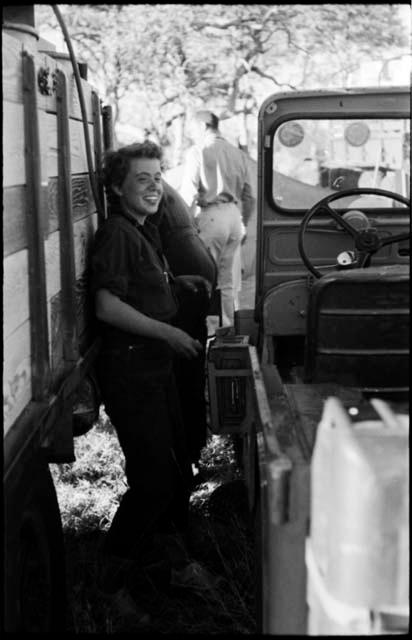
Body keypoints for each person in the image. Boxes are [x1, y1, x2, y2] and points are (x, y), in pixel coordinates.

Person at [90, 141, 210, 616]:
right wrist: (170, 333)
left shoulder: (143, 230)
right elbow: (107, 305)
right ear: (118, 188)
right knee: (155, 480)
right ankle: (108, 585)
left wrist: (176, 285)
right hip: (133, 370)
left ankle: (175, 567)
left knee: (177, 467)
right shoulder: (116, 233)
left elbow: (139, 286)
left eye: (159, 177)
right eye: (143, 179)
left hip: (154, 365)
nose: (155, 186)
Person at [151, 182, 217, 467]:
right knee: (190, 363)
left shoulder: (143, 188)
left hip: (185, 272)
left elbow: (149, 243)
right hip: (195, 268)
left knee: (182, 368)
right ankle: (194, 444)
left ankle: (187, 448)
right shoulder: (161, 184)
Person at [179, 110, 255, 326]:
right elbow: (249, 196)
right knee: (228, 281)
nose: (191, 134)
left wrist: (187, 225)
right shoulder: (237, 153)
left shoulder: (198, 151)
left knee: (203, 276)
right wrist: (243, 223)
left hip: (211, 216)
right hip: (234, 216)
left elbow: (188, 195)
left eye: (192, 129)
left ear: (203, 126)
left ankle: (205, 329)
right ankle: (229, 329)